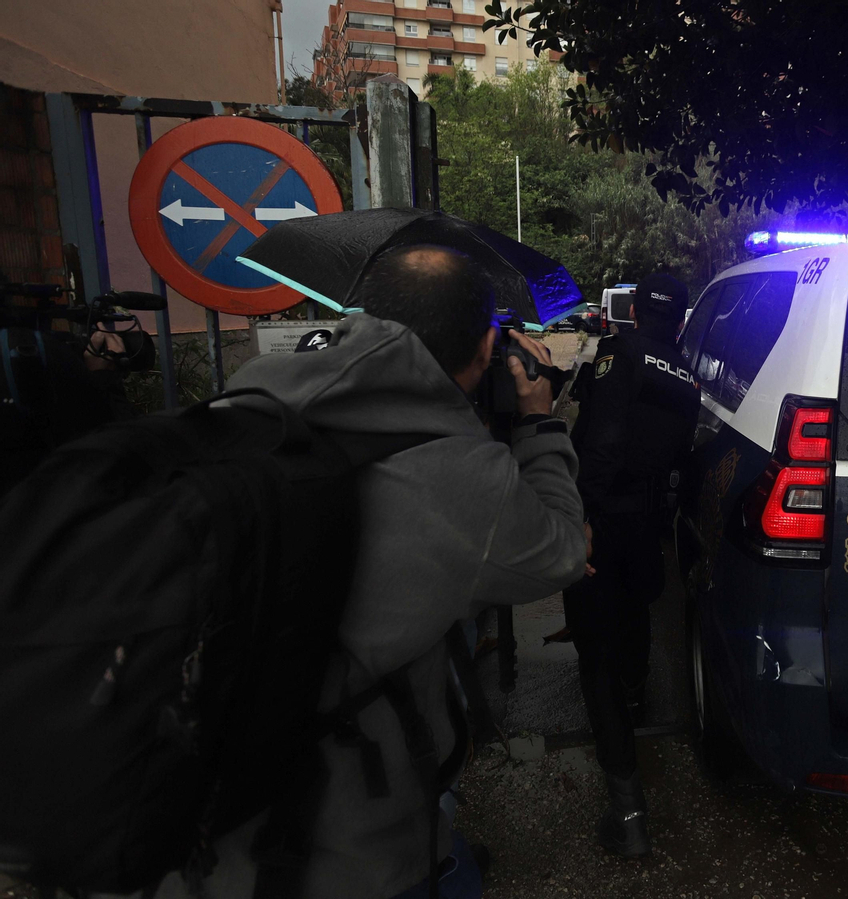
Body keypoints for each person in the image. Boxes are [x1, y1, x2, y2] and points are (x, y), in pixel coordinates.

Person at [164, 243, 588, 898]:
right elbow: (562, 549)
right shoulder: (462, 475)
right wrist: (538, 420)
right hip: (342, 846)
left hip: (188, 804)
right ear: (486, 346)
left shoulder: (248, 401)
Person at [565, 271, 701, 858]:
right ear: (683, 320)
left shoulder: (619, 354)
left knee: (595, 658)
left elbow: (603, 440)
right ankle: (637, 694)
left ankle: (628, 815)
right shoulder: (689, 379)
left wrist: (580, 517)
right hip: (647, 525)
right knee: (636, 614)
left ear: (636, 312)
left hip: (604, 518)